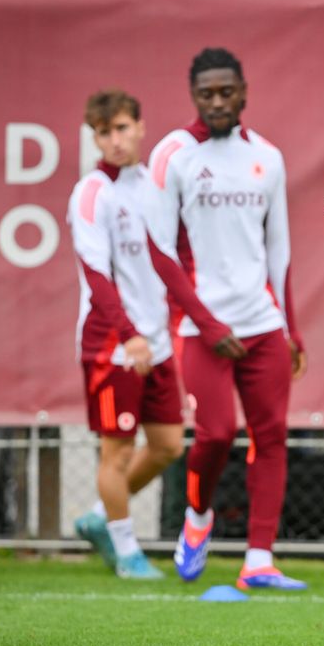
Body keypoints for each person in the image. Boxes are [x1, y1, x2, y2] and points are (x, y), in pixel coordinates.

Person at [68, 89, 244, 579]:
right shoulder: (90, 193)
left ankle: (100, 518)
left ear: (141, 126)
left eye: (123, 128)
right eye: (104, 132)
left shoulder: (155, 185)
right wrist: (129, 335)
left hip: (159, 341)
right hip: (114, 345)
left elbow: (177, 259)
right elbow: (96, 275)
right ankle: (126, 552)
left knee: (167, 445)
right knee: (116, 451)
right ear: (95, 137)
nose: (115, 140)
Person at [149, 47, 308, 591]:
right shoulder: (173, 154)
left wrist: (290, 328)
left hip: (263, 326)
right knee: (215, 436)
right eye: (206, 93)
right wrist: (208, 324)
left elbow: (279, 250)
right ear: (194, 95)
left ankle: (259, 559)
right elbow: (160, 251)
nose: (217, 101)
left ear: (243, 91)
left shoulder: (268, 155)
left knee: (272, 437)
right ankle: (197, 520)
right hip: (202, 329)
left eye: (226, 91)